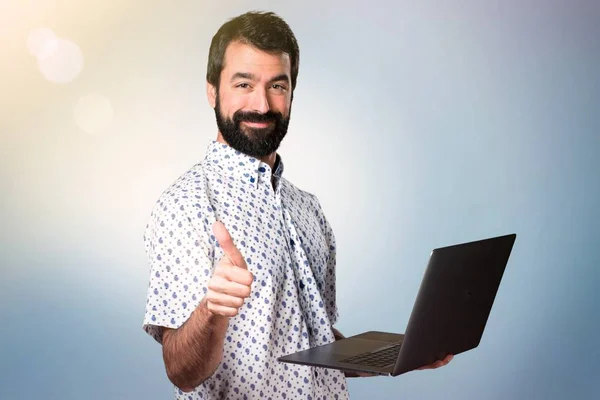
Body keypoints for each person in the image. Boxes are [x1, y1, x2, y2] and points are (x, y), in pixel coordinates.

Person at [141, 10, 452, 399]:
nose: (262, 104)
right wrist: (213, 311)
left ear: (291, 92)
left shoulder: (307, 208)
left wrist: (397, 356)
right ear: (211, 91)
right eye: (243, 83)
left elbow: (311, 340)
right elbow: (181, 371)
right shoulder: (184, 206)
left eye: (278, 86)